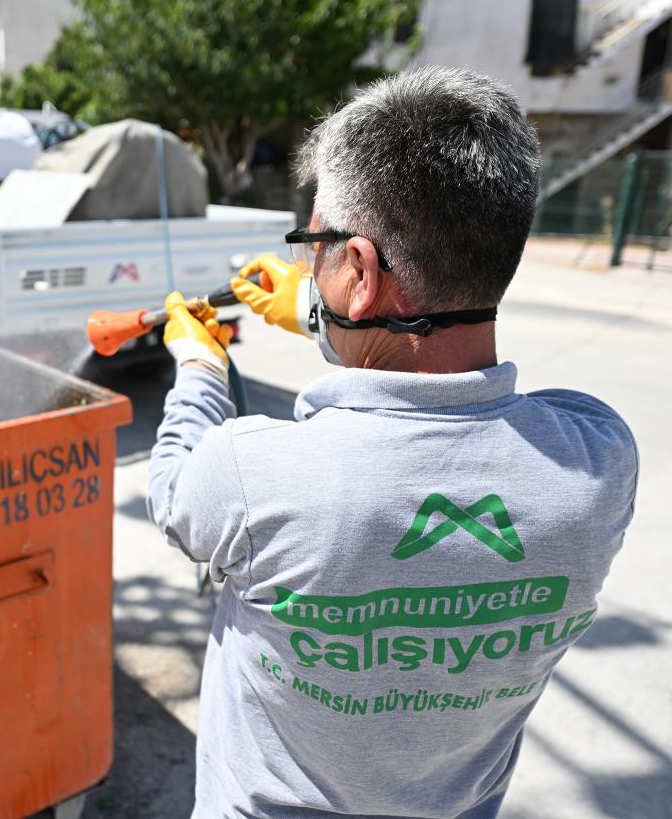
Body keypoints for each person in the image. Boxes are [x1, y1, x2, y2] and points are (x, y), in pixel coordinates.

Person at [147, 66, 638, 819]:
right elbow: (428, 361)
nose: (311, 264)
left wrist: (198, 363)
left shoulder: (255, 474)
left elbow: (175, 488)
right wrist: (318, 308)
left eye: (318, 247)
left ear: (361, 270)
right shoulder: (598, 457)